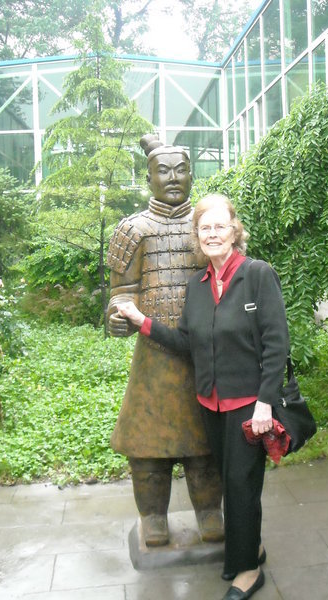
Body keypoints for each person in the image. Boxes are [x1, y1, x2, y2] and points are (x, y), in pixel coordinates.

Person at [117, 193, 290, 600]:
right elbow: (185, 342)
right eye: (205, 228)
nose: (213, 234)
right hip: (211, 406)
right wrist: (143, 322)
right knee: (235, 484)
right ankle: (255, 546)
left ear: (234, 230)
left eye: (220, 226)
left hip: (249, 407)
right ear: (198, 235)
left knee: (242, 486)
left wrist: (265, 402)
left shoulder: (257, 274)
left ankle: (247, 571)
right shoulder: (198, 286)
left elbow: (276, 342)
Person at [106, 134, 223, 548]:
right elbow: (121, 291)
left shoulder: (206, 227)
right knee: (148, 447)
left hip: (200, 355)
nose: (173, 178)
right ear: (149, 176)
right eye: (163, 170)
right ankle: (152, 516)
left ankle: (210, 511)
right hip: (154, 356)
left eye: (180, 169)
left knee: (205, 445)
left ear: (192, 174)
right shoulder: (134, 230)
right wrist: (118, 316)